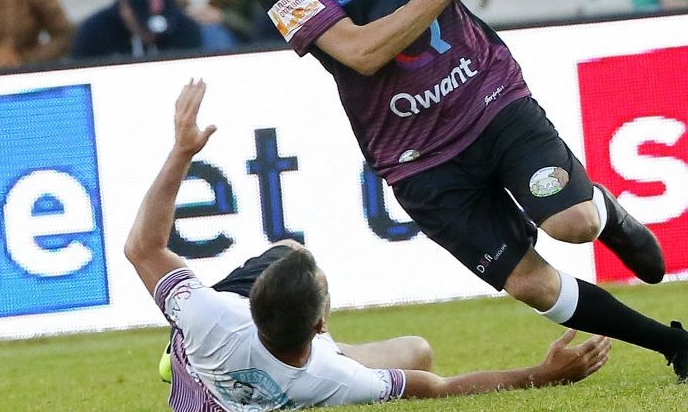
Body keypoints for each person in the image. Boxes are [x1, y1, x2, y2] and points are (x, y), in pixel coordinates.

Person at [236, 0, 688, 383]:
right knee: (532, 285)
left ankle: (606, 212)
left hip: (484, 91)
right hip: (413, 153)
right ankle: (676, 344)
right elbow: (360, 52)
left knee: (572, 224)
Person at [125, 79, 611, 411]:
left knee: (303, 266)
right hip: (295, 367)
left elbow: (143, 248)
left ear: (251, 303)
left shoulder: (212, 317)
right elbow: (438, 389)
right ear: (320, 326)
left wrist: (182, 151)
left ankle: (177, 353)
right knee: (410, 348)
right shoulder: (331, 380)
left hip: (208, 369)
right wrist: (542, 375)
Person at [72, 0, 202, 60]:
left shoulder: (186, 28)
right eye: (143, 26)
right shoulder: (94, 33)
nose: (152, 35)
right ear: (125, 8)